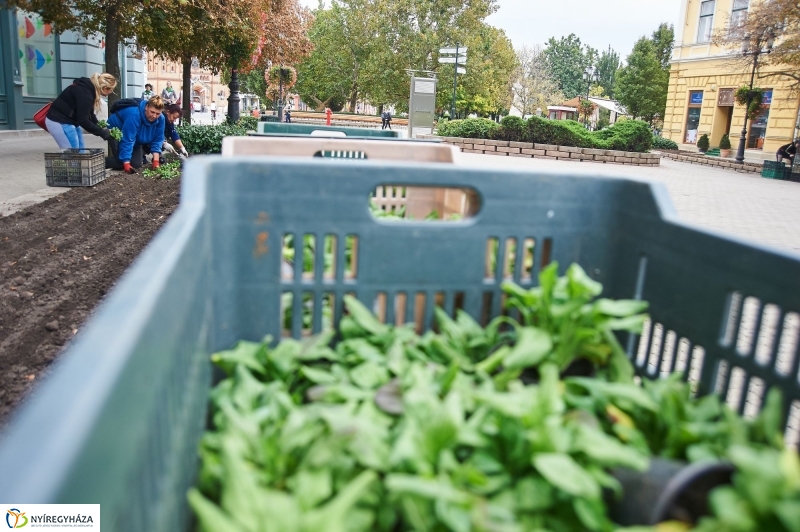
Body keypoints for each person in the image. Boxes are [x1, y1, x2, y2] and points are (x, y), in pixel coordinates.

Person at [45, 72, 116, 149]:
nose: (111, 92)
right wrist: (103, 133)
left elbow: (90, 115)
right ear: (105, 88)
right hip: (59, 121)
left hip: (70, 121)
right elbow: (83, 120)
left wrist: (101, 127)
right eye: (111, 90)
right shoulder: (85, 94)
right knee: (73, 153)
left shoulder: (89, 90)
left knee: (81, 152)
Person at [106, 95, 166, 173]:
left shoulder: (161, 119)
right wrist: (126, 163)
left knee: (136, 164)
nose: (154, 116)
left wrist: (156, 161)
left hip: (135, 135)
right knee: (121, 160)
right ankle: (99, 164)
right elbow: (128, 139)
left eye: (158, 113)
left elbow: (157, 139)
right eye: (152, 112)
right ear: (146, 107)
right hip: (117, 130)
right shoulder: (134, 115)